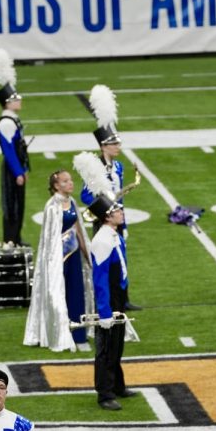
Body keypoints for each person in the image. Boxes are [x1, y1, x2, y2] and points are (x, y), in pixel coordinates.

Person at [79, 157, 135, 412]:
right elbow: (99, 278)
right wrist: (103, 312)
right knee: (106, 346)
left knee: (118, 343)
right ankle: (104, 393)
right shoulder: (102, 240)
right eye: (117, 211)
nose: (121, 213)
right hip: (109, 298)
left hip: (118, 295)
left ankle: (118, 385)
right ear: (106, 217)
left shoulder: (113, 235)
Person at [80, 86, 141, 311]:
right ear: (103, 146)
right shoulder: (95, 168)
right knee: (105, 264)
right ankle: (105, 302)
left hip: (118, 218)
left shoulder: (119, 166)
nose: (118, 147)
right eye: (114, 144)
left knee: (122, 260)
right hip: (103, 220)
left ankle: (123, 299)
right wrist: (104, 200)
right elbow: (85, 194)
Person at [23, 168, 91, 352]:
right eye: (65, 181)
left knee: (76, 293)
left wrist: (87, 254)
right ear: (56, 186)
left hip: (73, 255)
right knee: (57, 295)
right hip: (57, 259)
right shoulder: (52, 207)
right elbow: (49, 239)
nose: (70, 183)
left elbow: (79, 230)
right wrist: (52, 264)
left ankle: (79, 335)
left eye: (70, 180)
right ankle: (60, 334)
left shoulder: (73, 202)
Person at [0, 49, 29, 245]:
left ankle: (16, 237)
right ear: (8, 102)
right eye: (16, 98)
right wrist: (17, 172)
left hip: (18, 167)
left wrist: (24, 169)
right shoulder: (6, 122)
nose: (20, 100)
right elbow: (9, 150)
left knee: (19, 204)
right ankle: (11, 238)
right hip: (11, 169)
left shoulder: (12, 119)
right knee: (12, 205)